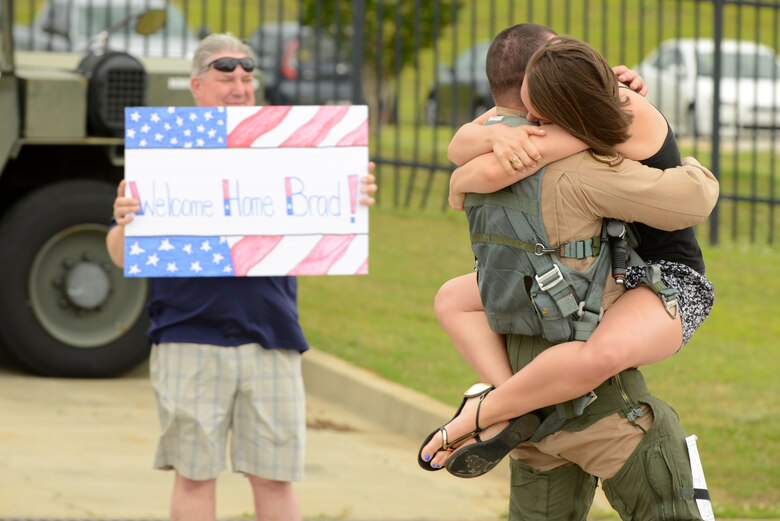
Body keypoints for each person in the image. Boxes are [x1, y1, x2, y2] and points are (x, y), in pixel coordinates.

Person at [418, 24, 717, 521]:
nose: (529, 120)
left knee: (596, 355)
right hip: (606, 266)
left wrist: (469, 173)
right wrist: (485, 145)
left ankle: (485, 412)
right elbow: (464, 141)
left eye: (536, 113)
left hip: (663, 273)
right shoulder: (556, 113)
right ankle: (518, 402)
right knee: (453, 298)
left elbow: (493, 165)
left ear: (560, 92)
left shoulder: (615, 114)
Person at [106, 33, 377, 521]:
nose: (239, 84)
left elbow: (325, 218)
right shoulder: (164, 152)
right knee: (194, 475)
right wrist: (125, 220)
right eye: (224, 73)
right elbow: (122, 256)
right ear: (196, 85)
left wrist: (350, 195)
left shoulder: (288, 150)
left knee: (274, 478)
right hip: (189, 333)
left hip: (270, 333)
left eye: (247, 75)